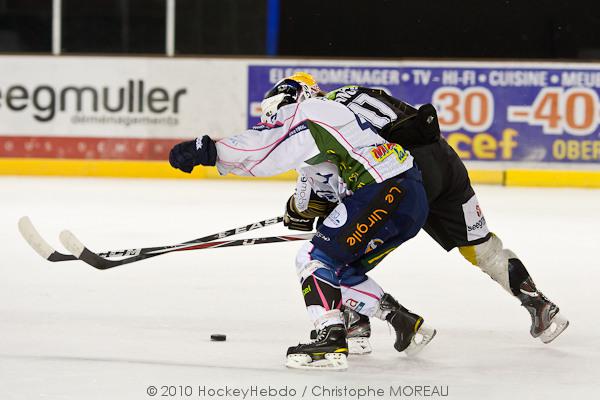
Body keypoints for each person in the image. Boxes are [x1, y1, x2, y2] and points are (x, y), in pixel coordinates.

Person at [281, 74, 569, 353]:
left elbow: (319, 196)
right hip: (443, 159)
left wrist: (297, 207)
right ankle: (540, 306)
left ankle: (356, 323)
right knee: (482, 248)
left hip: (403, 171)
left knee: (335, 252)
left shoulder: (319, 118)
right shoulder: (353, 91)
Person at [168, 74, 434, 370]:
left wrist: (212, 151)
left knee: (312, 258)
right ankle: (404, 323)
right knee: (338, 270)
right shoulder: (334, 119)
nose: (277, 119)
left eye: (279, 111)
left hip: (385, 189)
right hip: (409, 197)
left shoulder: (310, 112)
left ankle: (330, 339)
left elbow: (265, 146)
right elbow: (315, 196)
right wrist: (299, 209)